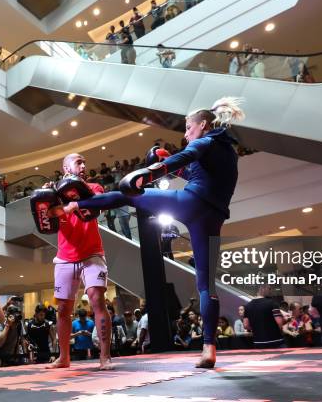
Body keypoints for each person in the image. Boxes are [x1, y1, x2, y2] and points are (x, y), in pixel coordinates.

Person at [57, 97, 244, 368]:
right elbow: (192, 171)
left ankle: (77, 205)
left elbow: (186, 156)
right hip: (213, 219)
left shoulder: (205, 142)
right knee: (206, 285)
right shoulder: (229, 152)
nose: (185, 133)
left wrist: (148, 171)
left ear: (203, 125)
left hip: (190, 204)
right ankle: (209, 348)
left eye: (188, 127)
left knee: (128, 196)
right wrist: (166, 160)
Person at [43, 153, 113, 370]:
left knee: (96, 299)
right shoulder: (54, 193)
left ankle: (105, 357)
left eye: (85, 161)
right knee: (63, 308)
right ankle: (64, 357)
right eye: (78, 162)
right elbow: (49, 214)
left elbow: (97, 204)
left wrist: (70, 203)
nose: (83, 165)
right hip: (64, 256)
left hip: (92, 253)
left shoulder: (95, 187)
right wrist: (58, 201)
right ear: (66, 168)